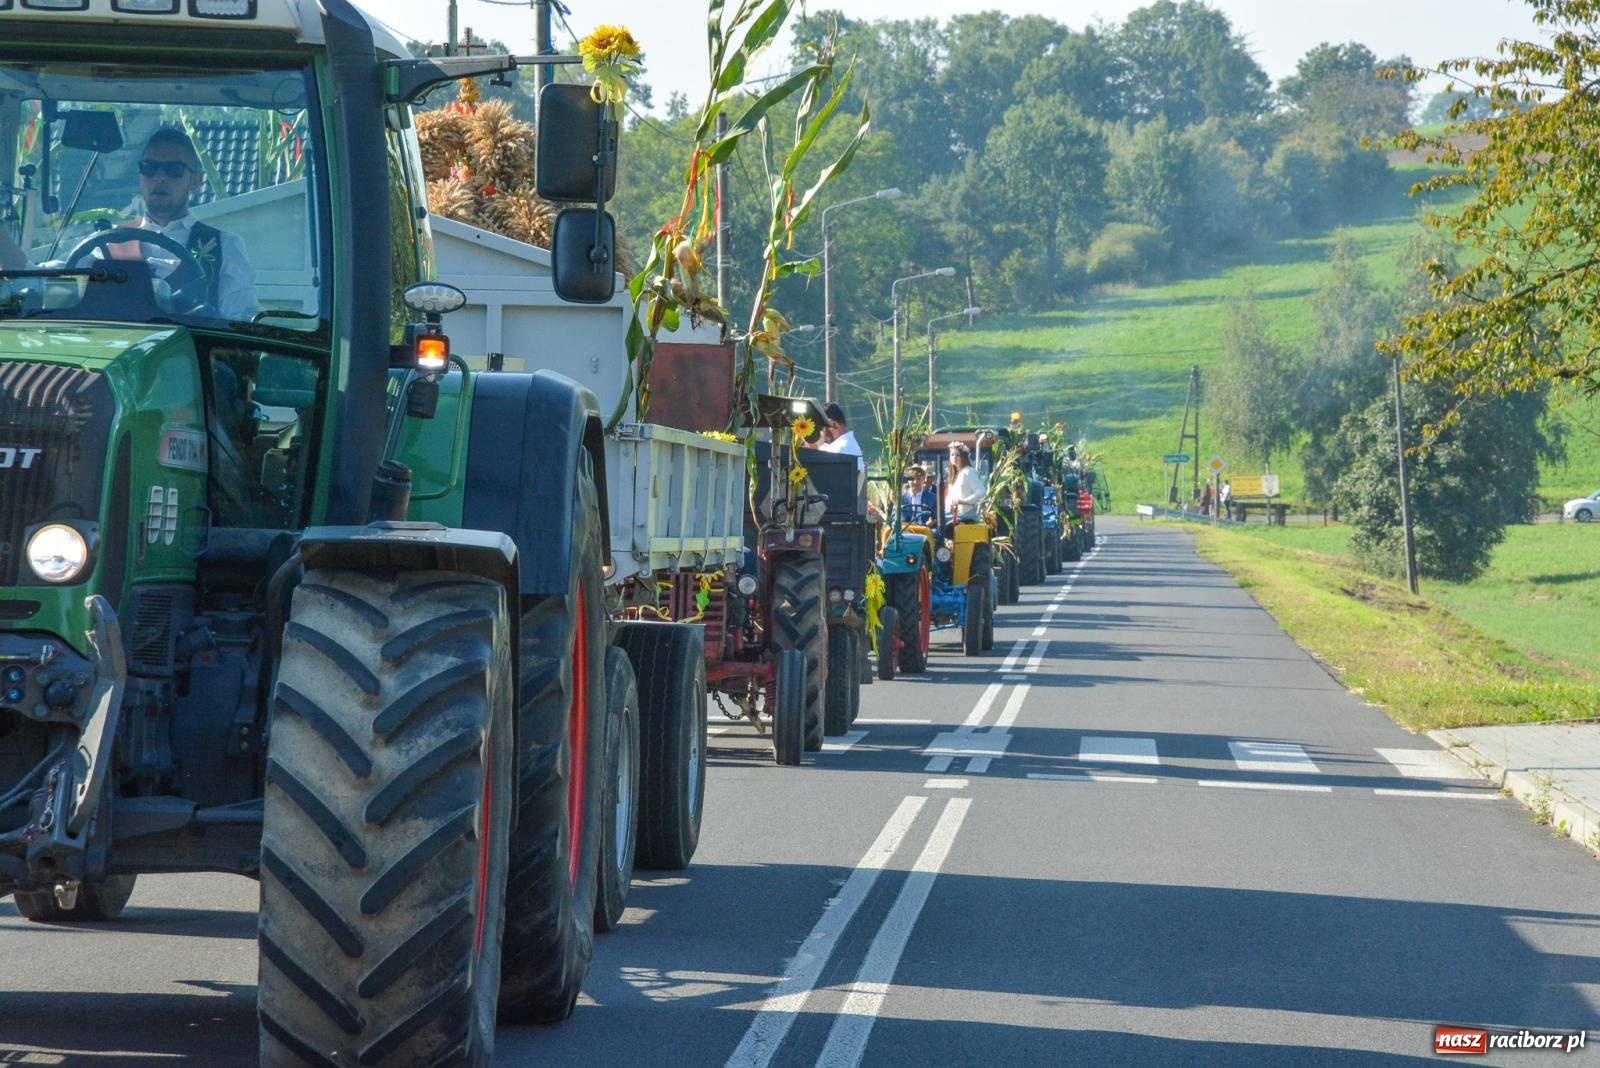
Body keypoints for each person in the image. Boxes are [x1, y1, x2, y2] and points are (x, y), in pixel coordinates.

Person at [0, 128, 257, 321]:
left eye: (174, 170)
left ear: (196, 180)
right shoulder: (108, 243)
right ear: (140, 174)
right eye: (149, 168)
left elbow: (239, 321)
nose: (159, 178)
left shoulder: (225, 246)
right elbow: (35, 282)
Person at [945, 441, 984, 526]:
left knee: (939, 521)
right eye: (952, 455)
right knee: (934, 518)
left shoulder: (968, 471)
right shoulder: (953, 475)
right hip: (952, 513)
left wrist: (964, 501)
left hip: (965, 515)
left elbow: (981, 491)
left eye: (958, 455)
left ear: (964, 457)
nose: (954, 457)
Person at [817, 401, 864, 472]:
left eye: (821, 427)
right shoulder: (847, 445)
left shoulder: (841, 448)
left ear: (833, 424)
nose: (820, 432)